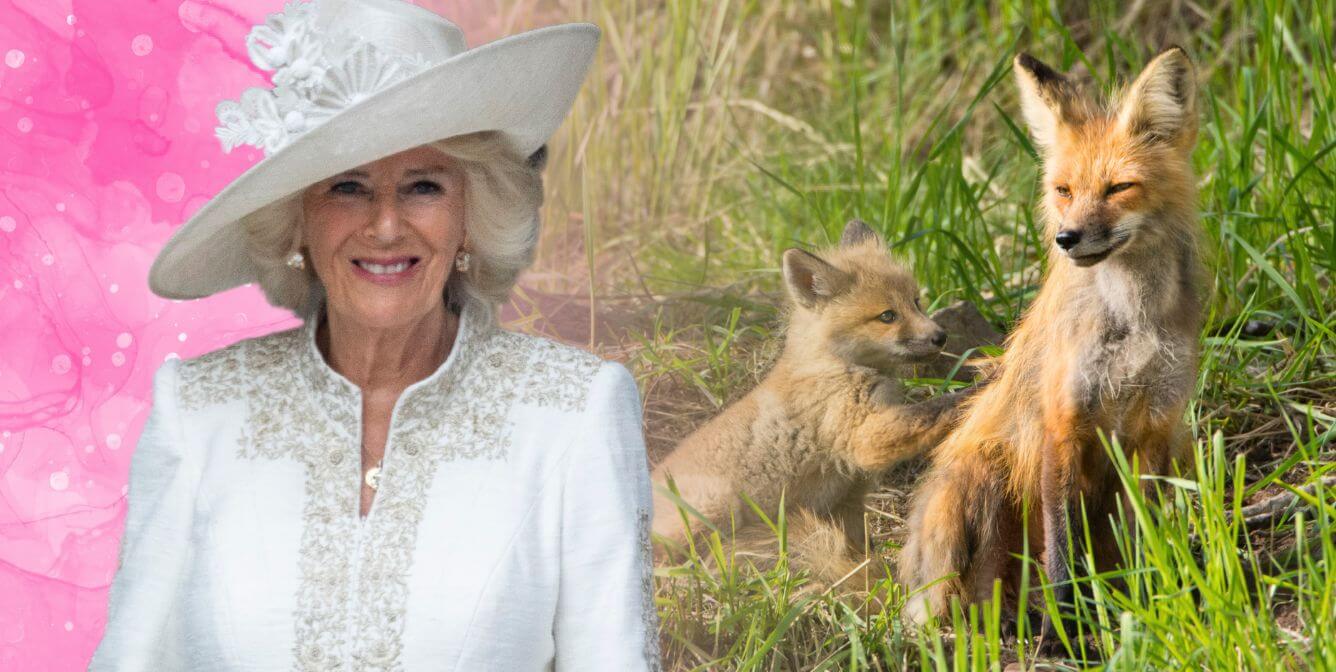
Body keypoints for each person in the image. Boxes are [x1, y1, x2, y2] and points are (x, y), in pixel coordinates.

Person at [88, 1, 660, 669]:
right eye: (348, 187)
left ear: (471, 214)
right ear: (296, 219)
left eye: (422, 186)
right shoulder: (199, 411)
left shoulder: (573, 414)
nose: (385, 226)